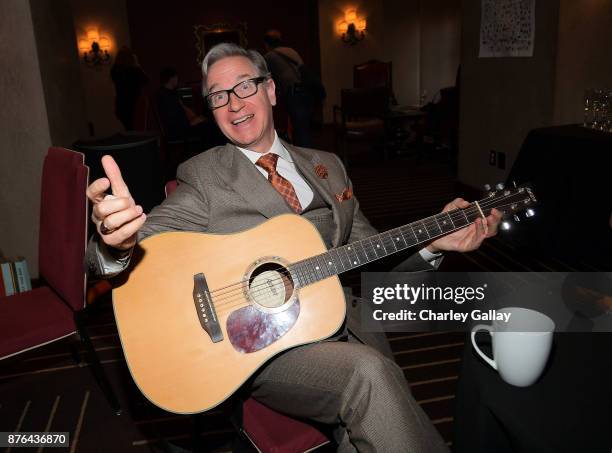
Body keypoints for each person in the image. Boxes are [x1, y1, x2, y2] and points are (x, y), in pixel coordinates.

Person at [86, 43, 502, 452]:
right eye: (218, 96)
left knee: (378, 399)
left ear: (270, 90)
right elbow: (138, 244)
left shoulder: (330, 166)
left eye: (245, 87)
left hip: (342, 320)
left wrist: (433, 243)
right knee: (369, 376)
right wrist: (115, 242)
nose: (234, 104)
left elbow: (373, 260)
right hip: (260, 346)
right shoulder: (206, 176)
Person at [263, 29, 317, 147]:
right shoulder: (291, 51)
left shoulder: (269, 56)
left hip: (294, 94)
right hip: (307, 92)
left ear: (267, 44)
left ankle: (306, 161)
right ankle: (308, 157)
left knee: (300, 131)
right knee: (304, 128)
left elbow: (265, 77)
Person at [110, 46, 148, 130]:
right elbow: (146, 80)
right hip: (134, 103)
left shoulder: (115, 70)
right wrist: (137, 65)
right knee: (136, 129)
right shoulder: (133, 70)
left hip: (121, 105)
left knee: (129, 128)